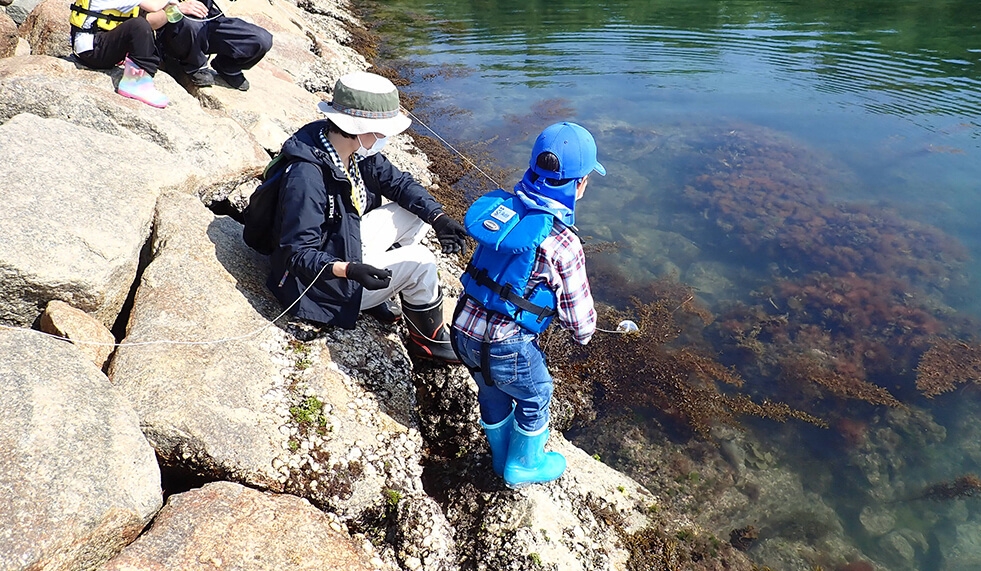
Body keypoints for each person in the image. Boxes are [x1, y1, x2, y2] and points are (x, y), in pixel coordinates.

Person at [266, 71, 468, 365]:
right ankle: (428, 343)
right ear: (360, 127)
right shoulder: (307, 178)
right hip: (320, 287)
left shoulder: (350, 150)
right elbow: (295, 255)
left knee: (417, 214)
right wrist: (349, 270)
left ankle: (384, 288)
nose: (385, 137)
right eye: (382, 130)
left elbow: (399, 184)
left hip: (342, 245)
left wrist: (439, 218)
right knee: (422, 261)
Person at [451, 122, 604, 488]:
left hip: (463, 331)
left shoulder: (502, 212)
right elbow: (582, 328)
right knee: (537, 395)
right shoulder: (564, 244)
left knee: (489, 388)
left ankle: (501, 458)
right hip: (507, 345)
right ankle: (523, 465)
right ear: (579, 185)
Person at [69, 0, 200, 107]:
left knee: (141, 25)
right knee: (138, 25)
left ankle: (138, 75)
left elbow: (151, 23)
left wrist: (175, 9)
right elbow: (153, 7)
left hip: (99, 46)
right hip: (92, 49)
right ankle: (135, 82)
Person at [150, 0, 272, 91]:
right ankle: (194, 64)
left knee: (261, 39)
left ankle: (227, 66)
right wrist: (177, 8)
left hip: (208, 20)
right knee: (190, 25)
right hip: (176, 27)